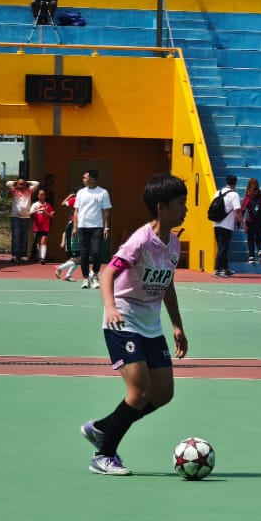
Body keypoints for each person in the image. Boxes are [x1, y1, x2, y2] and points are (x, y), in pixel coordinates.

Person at [81, 173, 190, 476]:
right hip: (124, 319)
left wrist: (177, 325)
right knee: (140, 392)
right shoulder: (141, 240)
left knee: (163, 393)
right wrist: (111, 307)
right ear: (161, 208)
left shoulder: (173, 243)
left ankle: (104, 427)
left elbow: (167, 285)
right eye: (181, 203)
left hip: (150, 324)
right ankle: (103, 456)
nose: (186, 209)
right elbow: (107, 273)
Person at [71, 170, 112, 288]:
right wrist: (75, 227)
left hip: (97, 227)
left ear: (92, 179)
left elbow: (106, 211)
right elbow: (76, 211)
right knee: (84, 254)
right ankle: (85, 278)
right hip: (82, 227)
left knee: (96, 252)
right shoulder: (80, 193)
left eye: (85, 177)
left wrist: (106, 227)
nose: (83, 180)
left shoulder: (103, 193)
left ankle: (94, 275)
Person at [211, 174, 241, 278]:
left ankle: (225, 269)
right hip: (227, 225)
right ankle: (217, 269)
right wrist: (242, 224)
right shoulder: (234, 195)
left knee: (222, 247)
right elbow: (237, 211)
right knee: (223, 248)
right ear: (235, 183)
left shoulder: (218, 192)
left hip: (216, 223)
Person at [239, 178, 261, 265]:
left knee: (250, 239)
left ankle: (251, 257)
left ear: (249, 186)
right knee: (259, 238)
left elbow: (243, 210)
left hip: (250, 221)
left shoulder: (248, 197)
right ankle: (260, 251)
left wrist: (240, 223)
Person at [5, 175, 37, 264]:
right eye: (20, 184)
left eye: (23, 184)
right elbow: (8, 183)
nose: (21, 186)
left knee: (24, 238)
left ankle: (22, 256)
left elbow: (37, 183)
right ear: (17, 184)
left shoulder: (29, 191)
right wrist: (16, 183)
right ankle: (15, 255)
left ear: (26, 184)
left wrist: (27, 182)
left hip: (26, 218)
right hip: (15, 217)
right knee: (16, 237)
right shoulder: (14, 190)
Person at [53, 191, 80, 283]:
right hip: (75, 227)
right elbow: (63, 203)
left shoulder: (80, 200)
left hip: (79, 227)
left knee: (79, 257)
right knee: (78, 257)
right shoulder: (75, 200)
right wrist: (70, 196)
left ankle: (68, 275)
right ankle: (60, 268)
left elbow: (63, 203)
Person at [30, 188, 54, 265]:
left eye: (43, 195)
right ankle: (39, 257)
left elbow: (53, 216)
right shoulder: (35, 204)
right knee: (39, 242)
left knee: (44, 241)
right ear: (38, 196)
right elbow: (30, 213)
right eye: (40, 195)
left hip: (45, 227)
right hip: (37, 227)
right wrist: (37, 210)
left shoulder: (48, 205)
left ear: (45, 196)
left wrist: (46, 213)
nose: (42, 196)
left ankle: (42, 258)